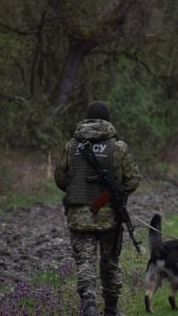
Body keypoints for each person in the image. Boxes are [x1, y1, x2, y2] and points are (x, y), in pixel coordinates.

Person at [55, 101, 141, 316]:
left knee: (85, 261)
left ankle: (89, 304)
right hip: (109, 216)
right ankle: (111, 309)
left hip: (78, 215)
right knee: (110, 262)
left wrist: (78, 190)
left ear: (87, 119)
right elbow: (132, 181)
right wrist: (114, 194)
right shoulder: (118, 147)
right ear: (108, 120)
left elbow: (60, 178)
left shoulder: (71, 146)